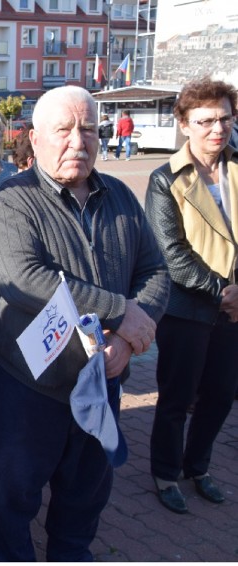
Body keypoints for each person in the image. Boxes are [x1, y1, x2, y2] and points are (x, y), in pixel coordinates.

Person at [0, 85, 170, 561]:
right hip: (28, 390)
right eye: (63, 130)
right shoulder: (11, 200)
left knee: (83, 506)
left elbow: (155, 271)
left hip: (102, 384)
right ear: (36, 138)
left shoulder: (120, 196)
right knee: (10, 508)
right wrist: (120, 311)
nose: (77, 141)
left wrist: (125, 338)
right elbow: (21, 277)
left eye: (87, 129)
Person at [145, 78, 238, 514]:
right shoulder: (165, 180)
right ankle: (166, 472)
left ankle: (197, 466)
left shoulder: (236, 168)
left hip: (234, 311)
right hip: (187, 308)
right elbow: (173, 254)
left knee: (222, 393)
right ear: (184, 124)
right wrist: (223, 291)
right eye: (204, 121)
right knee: (177, 397)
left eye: (223, 118)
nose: (216, 129)